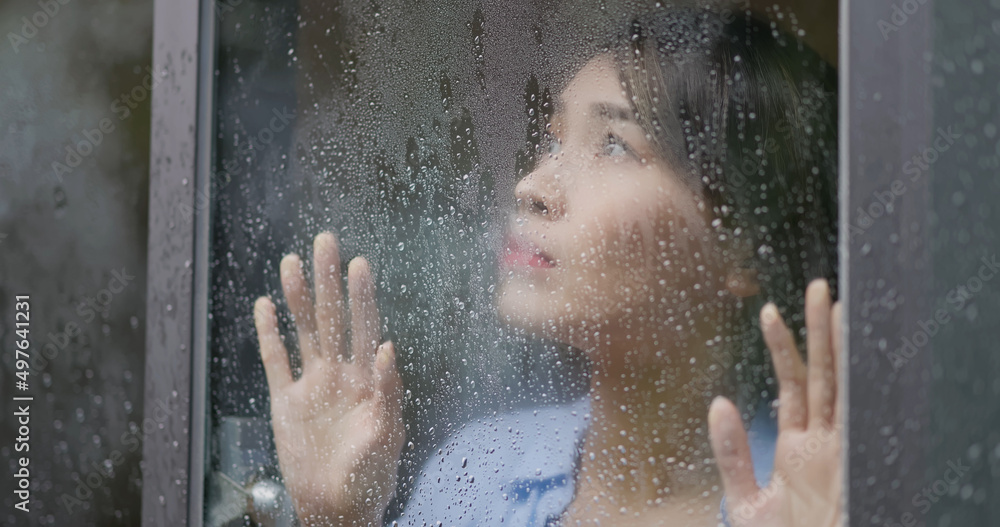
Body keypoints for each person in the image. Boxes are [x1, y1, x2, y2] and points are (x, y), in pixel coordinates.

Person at [253, 7, 841, 527]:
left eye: (614, 144)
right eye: (554, 141)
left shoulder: (818, 499)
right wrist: (334, 520)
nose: (532, 186)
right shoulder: (477, 471)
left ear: (740, 243)